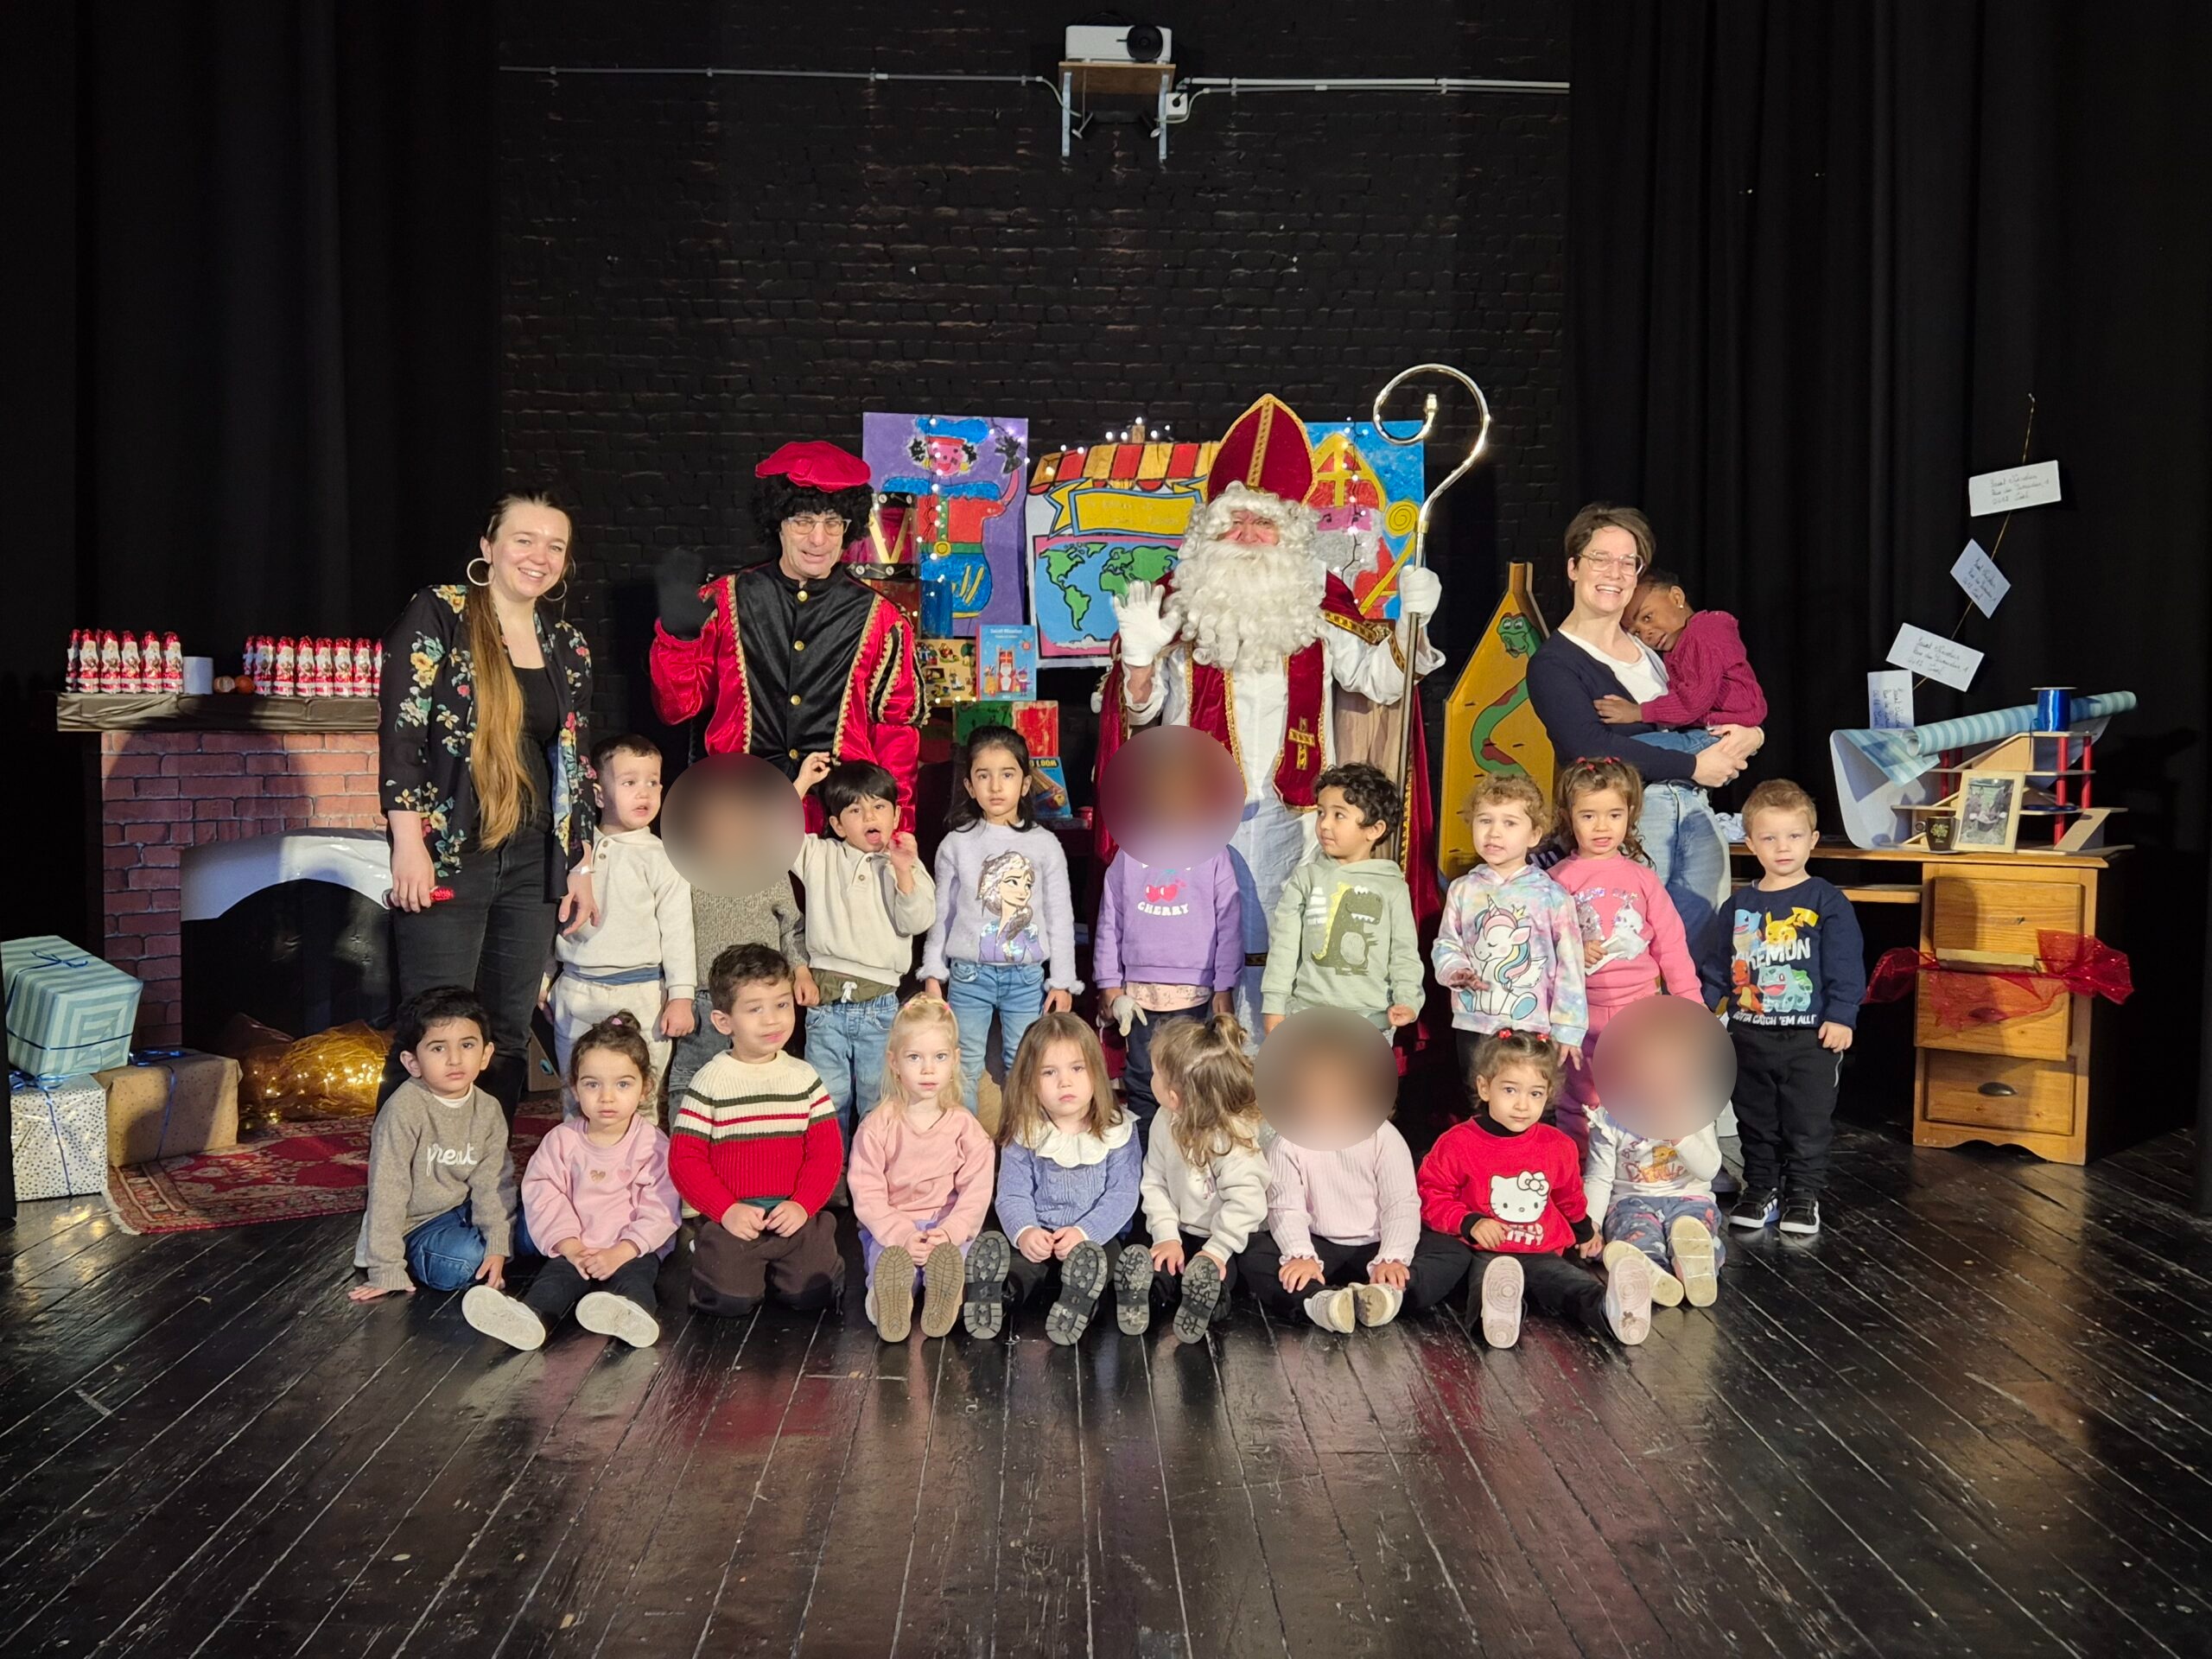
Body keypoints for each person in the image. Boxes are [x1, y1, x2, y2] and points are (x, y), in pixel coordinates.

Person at [1097, 396, 1445, 1030]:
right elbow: (1136, 720)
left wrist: (1413, 624)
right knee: (1197, 952)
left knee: (1289, 948)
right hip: (1194, 817)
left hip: (1298, 816)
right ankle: (1202, 1071)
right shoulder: (1175, 604)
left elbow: (1379, 682)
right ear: (1210, 531)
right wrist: (1140, 663)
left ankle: (1277, 1067)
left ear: (1291, 534)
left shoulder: (1317, 600)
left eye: (1265, 524)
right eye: (1236, 523)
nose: (1250, 537)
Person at [378, 491, 599, 1118]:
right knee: (435, 1028)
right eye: (524, 540)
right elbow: (402, 734)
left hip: (533, 858)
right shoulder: (439, 614)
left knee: (504, 1032)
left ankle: (483, 1163)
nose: (539, 556)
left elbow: (575, 762)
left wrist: (581, 864)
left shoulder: (568, 645)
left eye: (554, 546)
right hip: (452, 851)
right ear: (489, 547)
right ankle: (409, 1169)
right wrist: (408, 843)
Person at [1522, 505, 1762, 956]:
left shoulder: (1656, 646)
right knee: (1630, 948)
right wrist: (1692, 764)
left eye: (1628, 562)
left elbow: (1710, 704)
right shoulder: (1555, 664)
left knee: (1699, 948)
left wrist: (1751, 734)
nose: (1614, 572)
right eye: (1600, 558)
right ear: (1573, 567)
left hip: (1695, 809)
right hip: (1630, 820)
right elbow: (1589, 747)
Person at [1417, 1031, 1655, 1348]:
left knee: (1571, 1283)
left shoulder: (1558, 1145)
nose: (1522, 1105)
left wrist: (1585, 1232)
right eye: (1510, 1090)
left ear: (1549, 1095)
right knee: (1487, 1283)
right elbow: (1431, 1195)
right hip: (1487, 1252)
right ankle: (1496, 1318)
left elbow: (1569, 1196)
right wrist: (1470, 1222)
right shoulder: (1458, 1142)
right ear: (1484, 1088)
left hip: (1540, 1250)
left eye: (1535, 1094)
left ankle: (1613, 1310)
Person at [1702, 780, 1866, 1237]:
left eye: (1794, 836)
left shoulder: (1826, 900)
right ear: (1750, 843)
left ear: (1813, 839)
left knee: (1806, 1123)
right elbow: (1718, 966)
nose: (1783, 847)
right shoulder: (1738, 905)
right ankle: (1761, 1189)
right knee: (1756, 1120)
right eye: (1769, 838)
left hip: (1809, 1039)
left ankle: (1803, 1195)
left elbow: (1845, 963)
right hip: (1748, 1035)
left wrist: (1842, 1014)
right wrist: (1698, 1011)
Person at [463, 1011, 683, 1350]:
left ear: (645, 1089)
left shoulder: (653, 1145)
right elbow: (544, 1195)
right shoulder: (562, 1141)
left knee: (637, 1280)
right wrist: (570, 1246)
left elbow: (661, 1207)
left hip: (631, 1249)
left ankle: (631, 1315)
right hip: (576, 1247)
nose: (606, 1097)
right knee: (554, 1281)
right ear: (575, 1087)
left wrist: (622, 1251)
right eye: (593, 1084)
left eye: (622, 1084)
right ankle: (531, 1319)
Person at [1240, 1030, 1457, 1332]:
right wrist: (1301, 1255)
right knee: (1254, 1252)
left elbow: (1401, 1204)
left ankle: (1388, 1296)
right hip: (1319, 1244)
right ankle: (1319, 1302)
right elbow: (1285, 1208)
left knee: (1452, 1252)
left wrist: (1393, 1257)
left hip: (1378, 1242)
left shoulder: (1384, 1137)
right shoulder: (1286, 1143)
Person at [671, 944, 845, 1316]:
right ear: (724, 1022)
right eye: (755, 1009)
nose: (772, 1020)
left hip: (794, 1216)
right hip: (735, 1220)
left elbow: (827, 1153)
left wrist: (803, 1204)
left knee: (813, 1293)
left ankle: (805, 1263)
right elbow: (685, 1160)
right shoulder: (710, 1082)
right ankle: (713, 1255)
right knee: (729, 1300)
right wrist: (725, 1210)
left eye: (781, 1004)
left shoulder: (804, 1078)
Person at [919, 725, 1080, 1114]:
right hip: (968, 977)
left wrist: (1062, 980)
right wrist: (933, 971)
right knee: (964, 1065)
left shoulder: (1044, 845)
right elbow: (942, 914)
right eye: (983, 775)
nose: (995, 786)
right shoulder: (956, 844)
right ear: (969, 786)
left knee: (1023, 1063)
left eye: (1007, 774)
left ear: (1025, 784)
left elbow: (1060, 917)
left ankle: (1020, 1144)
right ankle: (965, 1144)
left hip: (1025, 979)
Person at [1546, 756, 1701, 1149]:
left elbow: (1672, 946)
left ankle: (1649, 1170)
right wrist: (1573, 950)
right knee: (1580, 1098)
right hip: (1580, 1014)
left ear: (1630, 814)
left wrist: (1691, 1006)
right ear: (1568, 817)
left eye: (1614, 815)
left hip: (1640, 1009)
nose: (1602, 827)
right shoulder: (1555, 881)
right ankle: (1580, 1172)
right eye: (1589, 816)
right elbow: (1542, 946)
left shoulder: (1642, 878)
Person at [963, 1013, 1146, 1346]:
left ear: (1096, 1071)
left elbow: (1122, 1195)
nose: (1065, 1082)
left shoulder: (1117, 1128)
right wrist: (1026, 1231)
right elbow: (1012, 1194)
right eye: (1050, 1072)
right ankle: (997, 1296)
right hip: (1041, 1234)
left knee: (1104, 1262)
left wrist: (1084, 1233)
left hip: (1093, 1238)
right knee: (1018, 1264)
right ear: (1030, 1080)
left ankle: (1078, 1303)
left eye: (1077, 1069)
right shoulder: (1026, 1131)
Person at [542, 733, 695, 1118]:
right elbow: (550, 919)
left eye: (653, 782)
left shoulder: (663, 857)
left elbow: (678, 931)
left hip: (642, 995)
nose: (644, 793)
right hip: (578, 990)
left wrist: (681, 996)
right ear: (598, 794)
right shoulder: (573, 852)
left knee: (640, 1099)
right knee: (579, 1097)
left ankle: (641, 1158)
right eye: (629, 782)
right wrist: (542, 980)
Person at [791, 752, 938, 1147]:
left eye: (879, 807)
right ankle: (830, 1173)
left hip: (880, 1005)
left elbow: (918, 921)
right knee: (826, 1099)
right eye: (855, 810)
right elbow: (772, 831)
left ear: (896, 815)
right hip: (826, 1005)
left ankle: (872, 1171)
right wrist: (803, 781)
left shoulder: (905, 863)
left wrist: (904, 871)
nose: (870, 816)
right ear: (837, 825)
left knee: (879, 1099)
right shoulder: (820, 855)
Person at [350, 988, 519, 1302]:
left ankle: (491, 1253)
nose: (455, 1059)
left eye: (467, 1045)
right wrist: (386, 1268)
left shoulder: (488, 1108)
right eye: (438, 1048)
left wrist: (498, 1243)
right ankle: (423, 1259)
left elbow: (493, 1182)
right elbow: (387, 1190)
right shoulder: (404, 1110)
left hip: (464, 1210)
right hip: (417, 1226)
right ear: (413, 1063)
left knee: (538, 1229)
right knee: (465, 1259)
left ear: (485, 1054)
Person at [848, 995, 995, 1343]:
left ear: (955, 1060)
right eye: (915, 1057)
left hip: (946, 1230)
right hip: (892, 1228)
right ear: (894, 1062)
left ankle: (943, 1298)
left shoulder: (965, 1128)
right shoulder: (877, 1126)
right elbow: (867, 1194)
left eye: (939, 1057)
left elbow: (976, 1194)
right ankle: (886, 1304)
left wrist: (950, 1232)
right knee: (888, 1264)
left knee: (952, 1262)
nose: (928, 1069)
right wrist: (901, 1234)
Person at [1433, 774, 1588, 1096]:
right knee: (1479, 1099)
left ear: (1534, 834)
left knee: (1525, 1101)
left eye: (1509, 823)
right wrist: (1454, 970)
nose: (1494, 832)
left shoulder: (1551, 895)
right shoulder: (1463, 889)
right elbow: (1447, 942)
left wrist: (1569, 1028)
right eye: (1485, 820)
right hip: (1474, 1023)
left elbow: (1570, 965)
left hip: (1531, 1026)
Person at [1260, 762, 1425, 1035]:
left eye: (1339, 815)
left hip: (1371, 1024)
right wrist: (1274, 1006)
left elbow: (1404, 953)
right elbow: (1283, 948)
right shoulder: (1306, 879)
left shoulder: (1392, 887)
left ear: (1374, 829)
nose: (1324, 824)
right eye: (1321, 813)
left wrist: (1407, 1000)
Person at [1092, 842, 1242, 1139]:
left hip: (1193, 993)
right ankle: (1145, 1157)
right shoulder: (1129, 853)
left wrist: (1224, 984)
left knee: (1190, 1081)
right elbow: (1110, 917)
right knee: (1143, 1080)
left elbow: (1229, 921)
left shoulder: (1213, 852)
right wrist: (1108, 981)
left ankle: (1189, 1156)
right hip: (1139, 996)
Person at [1138, 1013, 1270, 1343]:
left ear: (1174, 1095)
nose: (1150, 1078)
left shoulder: (1231, 1137)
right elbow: (1154, 1182)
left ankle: (1205, 1302)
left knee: (1220, 1276)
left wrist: (1217, 1250)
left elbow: (1247, 1203)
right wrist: (1165, 1236)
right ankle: (1147, 1297)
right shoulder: (1163, 1121)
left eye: (1155, 1074)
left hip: (1226, 1237)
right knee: (1160, 1264)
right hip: (1182, 1230)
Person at [1596, 566, 1770, 754]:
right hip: (1709, 731)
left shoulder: (1704, 633)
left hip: (1720, 732)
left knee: (1622, 751)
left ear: (1677, 597)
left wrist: (1637, 712)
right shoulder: (1678, 648)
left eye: (1647, 617)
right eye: (1636, 632)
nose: (1646, 634)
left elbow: (1694, 701)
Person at [1584, 1102, 1725, 1310]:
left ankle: (1697, 1269)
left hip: (1690, 1198)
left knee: (1695, 1233)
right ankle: (1654, 1273)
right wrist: (1591, 1226)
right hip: (1631, 1202)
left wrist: (1681, 1138)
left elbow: (1709, 1170)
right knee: (1637, 1236)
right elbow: (1599, 1179)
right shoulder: (1608, 1119)